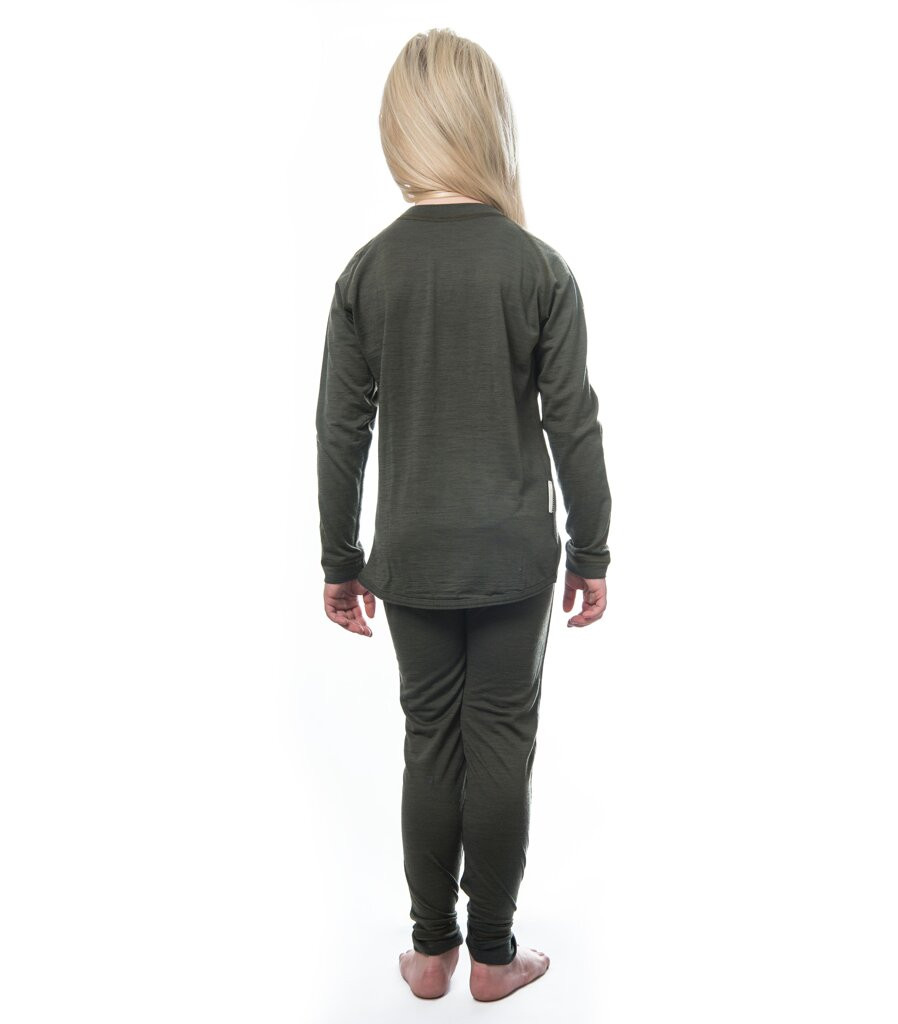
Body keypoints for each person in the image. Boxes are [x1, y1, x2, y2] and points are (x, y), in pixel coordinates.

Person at [315, 27, 613, 1003]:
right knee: (500, 745)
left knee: (429, 738)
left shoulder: (367, 274)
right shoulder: (539, 270)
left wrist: (339, 559)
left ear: (400, 129)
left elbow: (339, 430)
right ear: (489, 125)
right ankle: (493, 955)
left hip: (410, 556)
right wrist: (592, 547)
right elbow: (574, 422)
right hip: (515, 557)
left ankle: (431, 952)